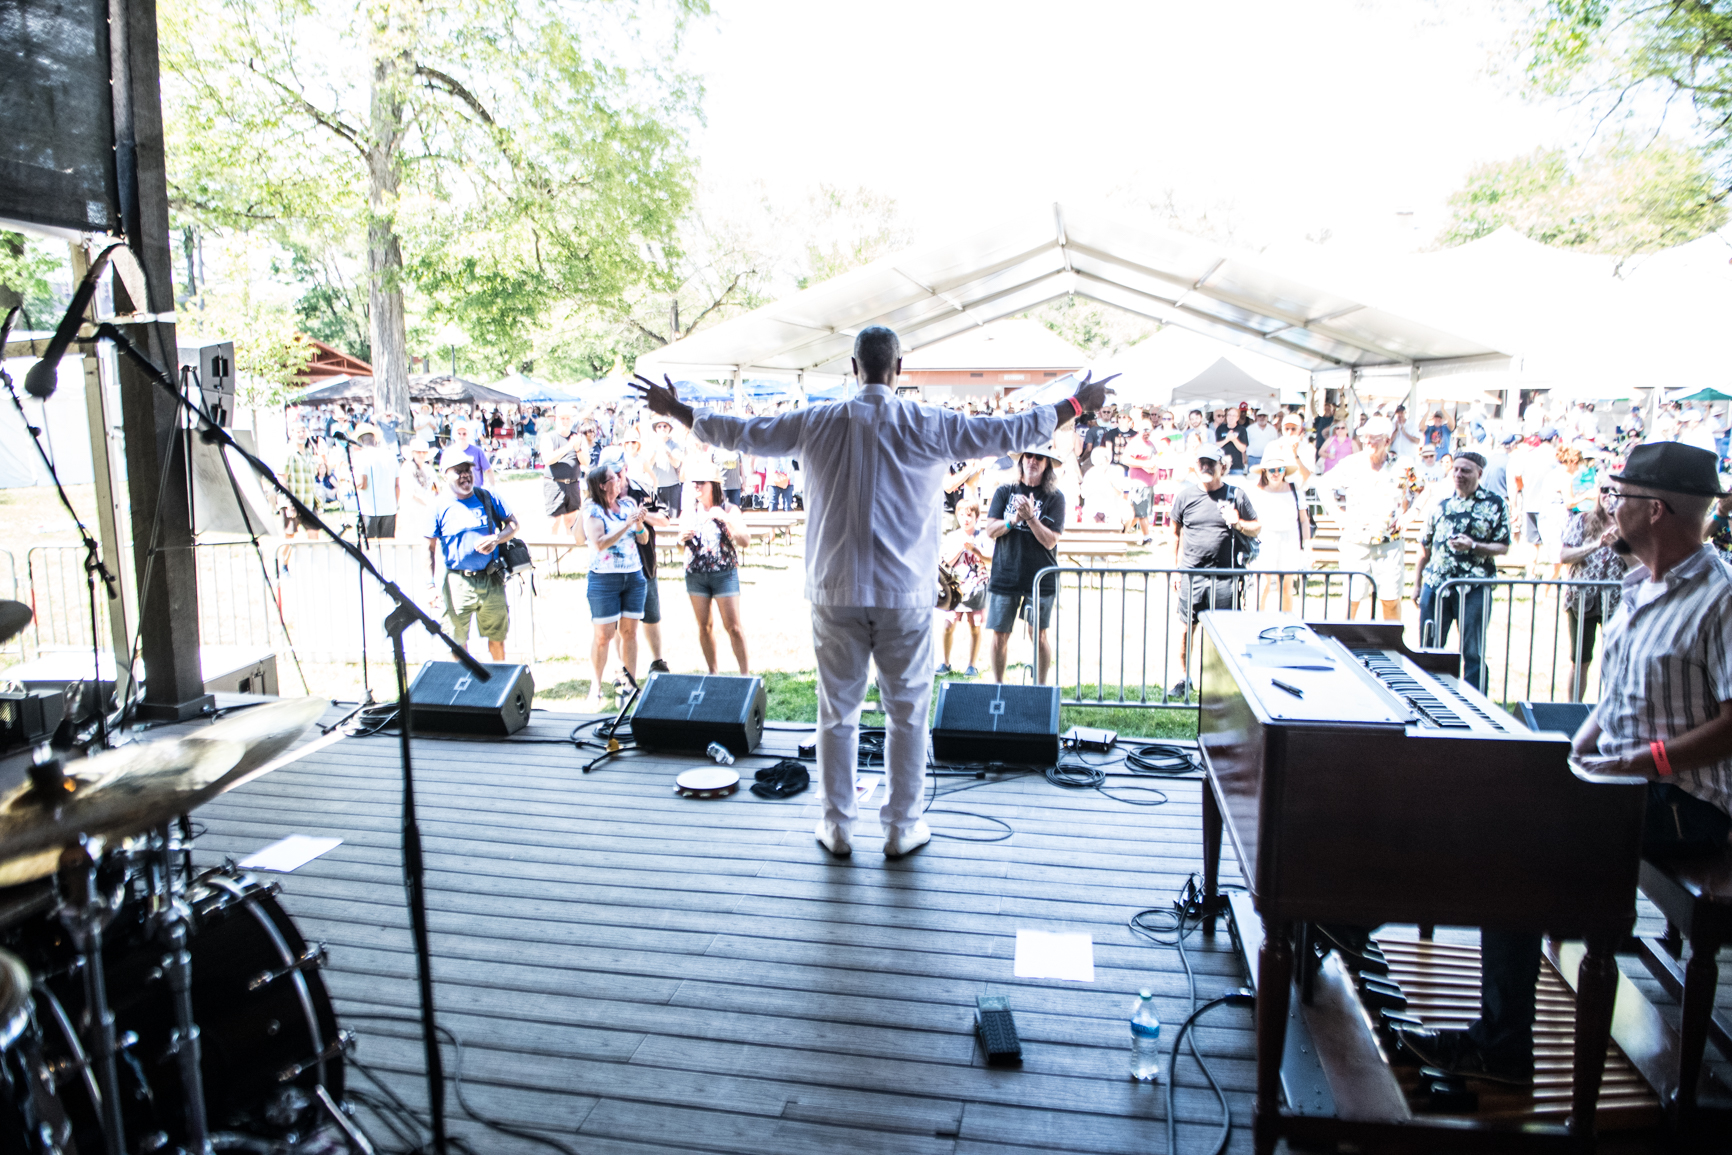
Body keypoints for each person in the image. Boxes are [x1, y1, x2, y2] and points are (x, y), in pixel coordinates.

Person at [632, 326, 1111, 860]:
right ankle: (901, 829)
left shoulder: (817, 420)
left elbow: (743, 433)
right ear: (898, 369)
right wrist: (1076, 403)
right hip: (905, 593)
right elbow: (1009, 430)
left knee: (836, 712)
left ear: (854, 369)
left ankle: (837, 827)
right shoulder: (929, 422)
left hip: (834, 589)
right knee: (906, 713)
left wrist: (676, 409)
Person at [1400, 442, 1732, 1088]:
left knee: (1519, 840)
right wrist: (1568, 751)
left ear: (1656, 510)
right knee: (1500, 794)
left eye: (1621, 496)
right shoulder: (1640, 584)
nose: (1611, 506)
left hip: (1688, 802)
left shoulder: (1720, 599)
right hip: (1626, 778)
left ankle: (1502, 1045)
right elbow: (1614, 704)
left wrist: (1646, 758)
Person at [1412, 452, 1510, 691]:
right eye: (1455, 469)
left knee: (1472, 650)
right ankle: (1430, 694)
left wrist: (1474, 546)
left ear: (1479, 473)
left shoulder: (1495, 503)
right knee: (1429, 646)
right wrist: (1417, 583)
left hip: (1474, 588)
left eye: (1465, 470)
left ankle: (1474, 703)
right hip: (1436, 586)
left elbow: (1503, 545)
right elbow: (1424, 545)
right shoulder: (1442, 504)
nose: (1458, 475)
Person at [1168, 447, 1260, 699]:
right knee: (1187, 628)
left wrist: (1237, 522)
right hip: (1191, 575)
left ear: (1223, 466)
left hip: (1226, 578)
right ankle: (1183, 679)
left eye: (1211, 463)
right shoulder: (1185, 497)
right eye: (1201, 463)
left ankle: (1223, 683)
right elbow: (1174, 533)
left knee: (1224, 632)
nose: (1206, 467)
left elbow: (1256, 527)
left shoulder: (1236, 495)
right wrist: (1175, 571)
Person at [984, 443, 1068, 686]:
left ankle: (1040, 689)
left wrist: (1030, 517)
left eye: (1039, 458)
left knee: (1038, 635)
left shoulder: (1055, 497)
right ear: (1020, 461)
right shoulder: (1005, 491)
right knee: (1000, 635)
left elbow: (1050, 541)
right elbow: (991, 530)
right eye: (1028, 456)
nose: (1032, 461)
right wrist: (1014, 520)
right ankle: (998, 686)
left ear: (1047, 465)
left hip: (1040, 576)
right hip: (1005, 574)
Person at [427, 449, 518, 661]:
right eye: (458, 471)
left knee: (497, 638)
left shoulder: (488, 496)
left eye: (468, 469)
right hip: (457, 582)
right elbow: (428, 548)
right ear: (444, 474)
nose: (465, 475)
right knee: (457, 642)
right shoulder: (438, 505)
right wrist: (429, 586)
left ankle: (500, 686)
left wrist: (497, 538)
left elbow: (513, 524)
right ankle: (464, 688)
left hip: (491, 579)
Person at [579, 461, 649, 711]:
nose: (619, 480)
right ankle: (595, 687)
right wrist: (628, 524)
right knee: (604, 636)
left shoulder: (629, 504)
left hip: (633, 576)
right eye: (613, 478)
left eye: (619, 476)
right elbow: (599, 542)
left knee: (629, 633)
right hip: (604, 578)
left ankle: (629, 684)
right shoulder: (592, 509)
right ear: (602, 485)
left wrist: (639, 524)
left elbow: (643, 538)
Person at [1326, 416, 1410, 621]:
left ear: (1387, 441)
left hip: (1389, 541)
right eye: (1365, 438)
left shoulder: (1402, 464)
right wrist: (1337, 514)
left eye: (1374, 438)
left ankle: (1392, 647)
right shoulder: (1352, 463)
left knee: (1390, 599)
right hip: (1356, 541)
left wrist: (1411, 514)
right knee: (1351, 598)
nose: (1368, 443)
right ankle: (1343, 643)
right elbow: (1323, 485)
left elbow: (1423, 490)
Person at [1558, 488, 1628, 702]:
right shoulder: (1583, 519)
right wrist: (1596, 544)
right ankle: (1573, 710)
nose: (1610, 496)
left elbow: (1642, 564)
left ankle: (1610, 709)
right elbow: (1564, 555)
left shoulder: (1630, 525)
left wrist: (1622, 544)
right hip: (1582, 600)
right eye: (1605, 490)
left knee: (1616, 660)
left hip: (1617, 602)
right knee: (1580, 660)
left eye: (1616, 492)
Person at [681, 473, 752, 675]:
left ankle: (745, 675)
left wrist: (726, 519)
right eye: (694, 482)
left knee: (734, 627)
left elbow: (745, 540)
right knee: (704, 626)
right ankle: (713, 673)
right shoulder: (689, 511)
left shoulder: (729, 509)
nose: (696, 485)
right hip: (695, 575)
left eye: (701, 482)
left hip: (724, 574)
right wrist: (681, 539)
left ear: (713, 485)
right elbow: (681, 547)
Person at [938, 498, 992, 676]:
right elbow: (946, 562)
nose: (965, 519)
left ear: (977, 517)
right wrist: (961, 548)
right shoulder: (953, 536)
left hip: (976, 589)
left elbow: (990, 559)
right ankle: (945, 663)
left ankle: (972, 665)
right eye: (961, 515)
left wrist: (975, 550)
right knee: (948, 625)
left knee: (975, 626)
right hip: (955, 590)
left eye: (969, 515)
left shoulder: (983, 536)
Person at [1249, 452, 1309, 610]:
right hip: (1265, 541)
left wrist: (1308, 547)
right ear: (1264, 472)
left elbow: (1304, 520)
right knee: (1262, 584)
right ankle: (1256, 623)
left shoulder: (1295, 490)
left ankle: (1286, 624)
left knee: (1287, 587)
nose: (1276, 473)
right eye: (1271, 470)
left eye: (1280, 469)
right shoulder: (1256, 491)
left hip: (1290, 541)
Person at [540, 406, 586, 535]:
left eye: (568, 419)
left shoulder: (577, 438)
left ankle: (568, 553)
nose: (565, 421)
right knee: (553, 523)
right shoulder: (549, 437)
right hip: (554, 484)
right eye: (562, 418)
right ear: (556, 420)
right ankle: (552, 553)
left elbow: (586, 462)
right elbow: (548, 459)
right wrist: (569, 446)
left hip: (572, 484)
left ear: (572, 421)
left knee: (571, 522)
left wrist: (577, 449)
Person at [352, 424, 399, 540]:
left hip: (369, 509)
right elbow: (397, 484)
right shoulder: (391, 455)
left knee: (370, 548)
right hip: (389, 508)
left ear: (360, 442)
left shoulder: (360, 456)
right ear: (375, 441)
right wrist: (395, 504)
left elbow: (362, 484)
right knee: (387, 546)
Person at [396, 437, 441, 543]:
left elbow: (436, 488)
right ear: (413, 453)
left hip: (428, 512)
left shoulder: (429, 469)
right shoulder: (407, 467)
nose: (421, 455)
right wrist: (428, 504)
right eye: (418, 452)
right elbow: (411, 493)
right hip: (412, 512)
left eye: (424, 452)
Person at [649, 418, 685, 515]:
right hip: (658, 488)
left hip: (673, 488)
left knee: (674, 518)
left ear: (669, 429)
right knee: (658, 518)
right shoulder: (651, 445)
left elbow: (676, 464)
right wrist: (655, 451)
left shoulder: (674, 445)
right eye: (659, 426)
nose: (662, 428)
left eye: (665, 426)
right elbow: (649, 464)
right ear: (656, 430)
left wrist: (667, 452)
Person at [450, 419, 492, 488]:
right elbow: (444, 475)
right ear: (454, 434)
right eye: (459, 433)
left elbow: (488, 470)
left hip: (475, 492)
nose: (461, 436)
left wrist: (492, 487)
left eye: (464, 434)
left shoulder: (478, 451)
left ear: (468, 434)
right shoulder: (449, 453)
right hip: (457, 492)